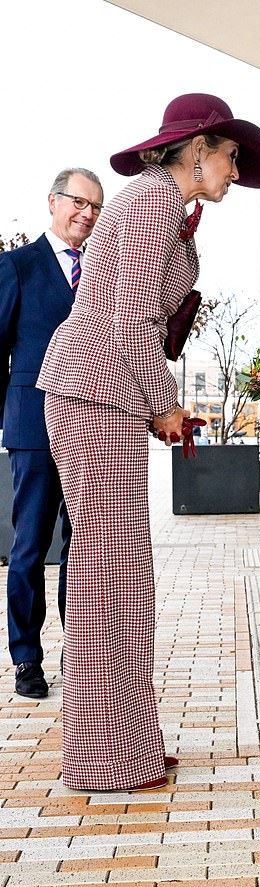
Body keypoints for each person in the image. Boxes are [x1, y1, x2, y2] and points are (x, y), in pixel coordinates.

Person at [37, 94, 260, 791]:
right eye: (231, 156)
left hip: (103, 393)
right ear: (199, 148)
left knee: (118, 574)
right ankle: (104, 755)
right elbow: (129, 325)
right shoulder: (150, 203)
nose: (236, 170)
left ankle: (125, 742)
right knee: (105, 576)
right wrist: (170, 407)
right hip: (94, 388)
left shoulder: (162, 208)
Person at [0, 168, 103, 699]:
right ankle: (26, 658)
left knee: (85, 550)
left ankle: (80, 655)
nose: (87, 214)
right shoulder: (16, 266)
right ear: (53, 202)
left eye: (95, 207)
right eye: (79, 203)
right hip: (34, 427)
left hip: (92, 429)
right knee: (31, 545)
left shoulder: (107, 271)